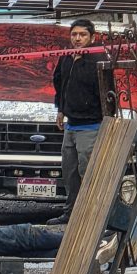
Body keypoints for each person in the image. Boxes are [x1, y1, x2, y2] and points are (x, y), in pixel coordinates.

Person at [47, 19, 103, 226]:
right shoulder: (67, 58)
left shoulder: (98, 59)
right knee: (69, 171)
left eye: (82, 35)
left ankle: (91, 216)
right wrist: (60, 110)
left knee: (87, 172)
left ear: (92, 37)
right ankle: (70, 213)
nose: (78, 38)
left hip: (91, 125)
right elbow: (60, 84)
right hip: (71, 125)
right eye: (74, 35)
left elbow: (107, 92)